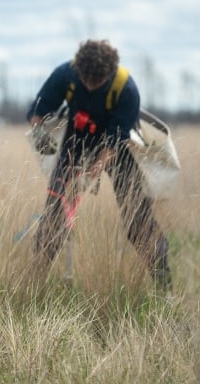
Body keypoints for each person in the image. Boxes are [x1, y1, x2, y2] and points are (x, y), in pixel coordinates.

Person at [27, 39, 172, 289]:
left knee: (137, 220)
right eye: (87, 81)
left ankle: (164, 284)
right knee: (55, 216)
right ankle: (32, 283)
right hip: (76, 140)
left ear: (110, 73)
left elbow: (117, 138)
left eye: (98, 82)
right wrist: (40, 135)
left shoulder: (127, 89)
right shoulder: (65, 75)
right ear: (78, 71)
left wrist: (97, 164)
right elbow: (38, 111)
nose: (91, 85)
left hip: (118, 148)